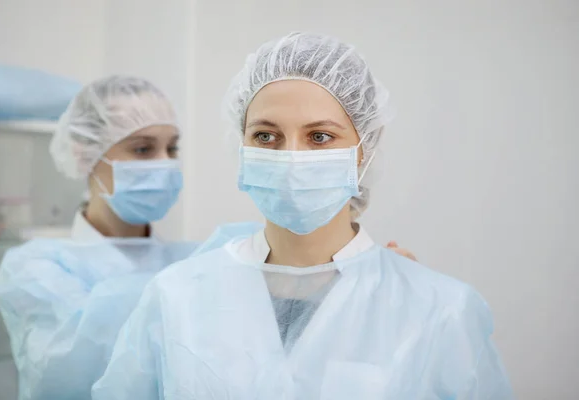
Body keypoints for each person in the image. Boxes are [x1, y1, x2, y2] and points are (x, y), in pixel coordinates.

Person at [93, 32, 513, 399]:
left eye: (319, 137)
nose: (292, 157)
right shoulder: (177, 296)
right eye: (266, 136)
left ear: (364, 147)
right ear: (241, 146)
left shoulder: (438, 309)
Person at [0, 76, 261, 400]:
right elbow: (69, 370)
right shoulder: (34, 268)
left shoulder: (187, 258)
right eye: (143, 149)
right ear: (83, 155)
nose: (165, 162)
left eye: (171, 147)